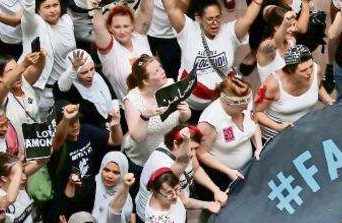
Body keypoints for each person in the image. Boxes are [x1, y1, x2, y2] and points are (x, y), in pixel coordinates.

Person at [161, 0, 264, 112]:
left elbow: (247, 20)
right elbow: (172, 10)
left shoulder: (229, 32)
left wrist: (257, 2)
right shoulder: (188, 30)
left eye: (217, 17)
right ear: (199, 18)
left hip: (222, 103)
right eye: (209, 19)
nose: (215, 23)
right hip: (191, 105)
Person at [122, 55, 189, 190]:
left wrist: (185, 112)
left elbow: (183, 119)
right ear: (146, 81)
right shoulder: (132, 101)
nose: (162, 71)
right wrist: (145, 116)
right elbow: (137, 137)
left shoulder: (170, 84)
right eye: (156, 72)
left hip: (170, 155)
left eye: (160, 67)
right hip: (143, 160)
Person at [256, 45, 335, 141]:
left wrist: (328, 101)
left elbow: (318, 87)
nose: (309, 72)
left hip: (304, 133)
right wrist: (278, 127)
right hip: (275, 138)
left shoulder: (316, 70)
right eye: (303, 70)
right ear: (290, 70)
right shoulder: (272, 84)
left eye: (310, 66)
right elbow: (256, 112)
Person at [197, 77, 262, 193]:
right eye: (242, 106)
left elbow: (255, 123)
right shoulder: (210, 122)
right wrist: (228, 171)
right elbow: (201, 153)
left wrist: (259, 146)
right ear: (228, 103)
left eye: (248, 102)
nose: (247, 108)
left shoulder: (246, 102)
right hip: (221, 175)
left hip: (248, 166)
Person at [21, 0, 77, 114]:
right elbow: (27, 10)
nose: (52, 10)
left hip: (69, 87)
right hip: (45, 93)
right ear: (38, 10)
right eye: (47, 7)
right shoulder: (35, 23)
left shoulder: (67, 20)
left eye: (55, 5)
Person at [90, 0, 154, 99]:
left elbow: (146, 11)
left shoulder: (139, 37)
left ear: (132, 26)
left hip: (157, 99)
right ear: (110, 28)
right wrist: (97, 8)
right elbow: (99, 30)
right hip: (130, 108)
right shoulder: (109, 49)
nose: (122, 31)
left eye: (126, 26)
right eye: (117, 27)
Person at [91, 151, 136, 223]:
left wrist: (131, 214)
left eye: (116, 172)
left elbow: (124, 205)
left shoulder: (124, 187)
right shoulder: (92, 185)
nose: (109, 176)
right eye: (106, 170)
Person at [54, 50, 115, 128]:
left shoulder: (98, 76)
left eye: (92, 69)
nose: (90, 75)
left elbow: (113, 97)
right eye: (84, 72)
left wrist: (114, 117)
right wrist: (74, 68)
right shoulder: (69, 88)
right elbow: (62, 88)